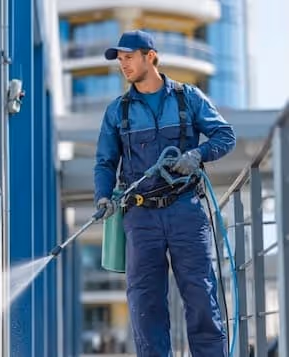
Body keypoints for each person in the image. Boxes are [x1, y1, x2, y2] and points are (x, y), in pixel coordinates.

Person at [93, 30, 236, 357]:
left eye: (129, 57)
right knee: (145, 306)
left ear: (150, 56)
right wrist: (103, 196)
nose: (123, 65)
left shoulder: (189, 98)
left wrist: (198, 155)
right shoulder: (118, 112)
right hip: (141, 217)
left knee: (201, 295)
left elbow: (225, 136)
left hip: (186, 210)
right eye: (119, 59)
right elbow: (105, 162)